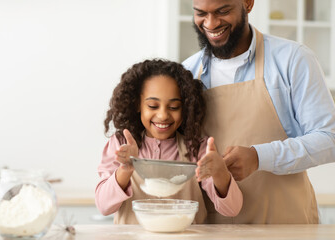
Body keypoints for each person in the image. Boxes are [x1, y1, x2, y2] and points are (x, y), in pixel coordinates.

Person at [182, 0, 335, 224]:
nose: (211, 23)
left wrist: (259, 157)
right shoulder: (187, 73)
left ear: (248, 3)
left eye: (222, 11)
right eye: (201, 13)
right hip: (215, 229)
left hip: (286, 225)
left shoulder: (293, 59)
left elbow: (329, 138)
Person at [95, 59, 243, 224]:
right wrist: (125, 169)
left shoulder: (197, 149)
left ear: (185, 107)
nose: (163, 115)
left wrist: (220, 172)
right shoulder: (120, 144)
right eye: (153, 106)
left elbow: (232, 209)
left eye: (173, 107)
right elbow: (103, 206)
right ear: (137, 104)